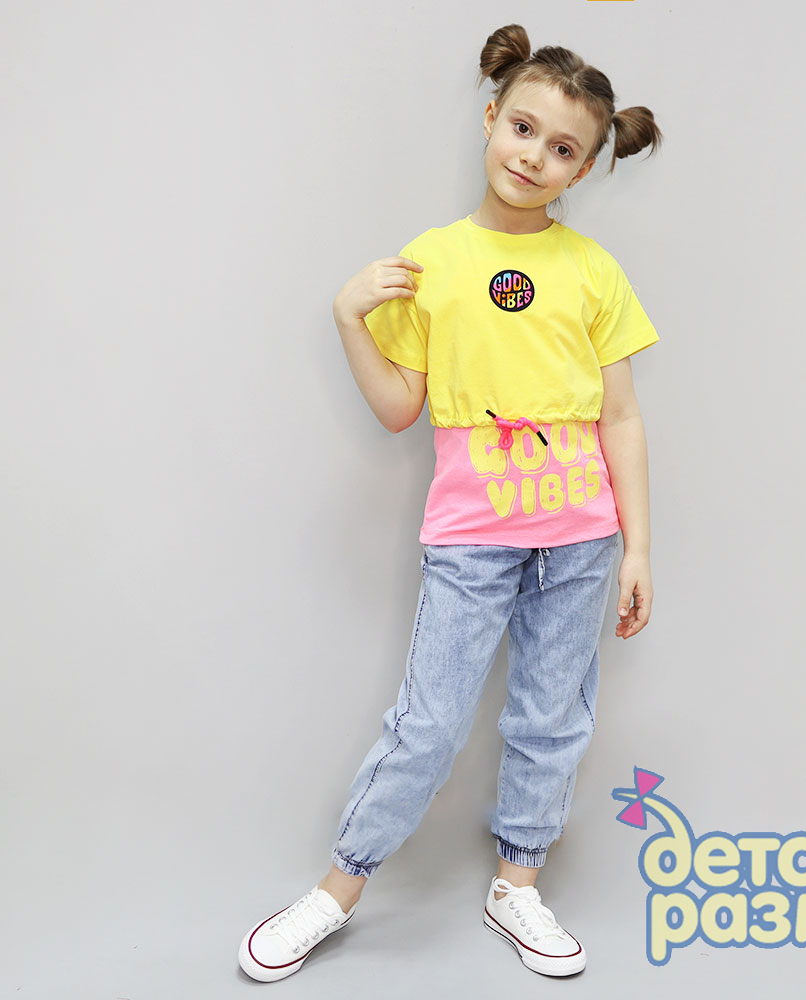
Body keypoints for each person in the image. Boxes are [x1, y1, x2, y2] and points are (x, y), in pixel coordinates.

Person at [238, 22, 662, 981]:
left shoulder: (593, 271)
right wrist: (349, 315)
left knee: (552, 719)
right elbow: (400, 407)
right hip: (472, 539)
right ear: (491, 118)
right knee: (428, 725)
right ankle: (338, 890)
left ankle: (518, 886)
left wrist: (637, 548)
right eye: (524, 128)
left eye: (564, 149)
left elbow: (623, 418)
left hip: (581, 541)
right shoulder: (433, 260)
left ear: (586, 167)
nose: (535, 156)